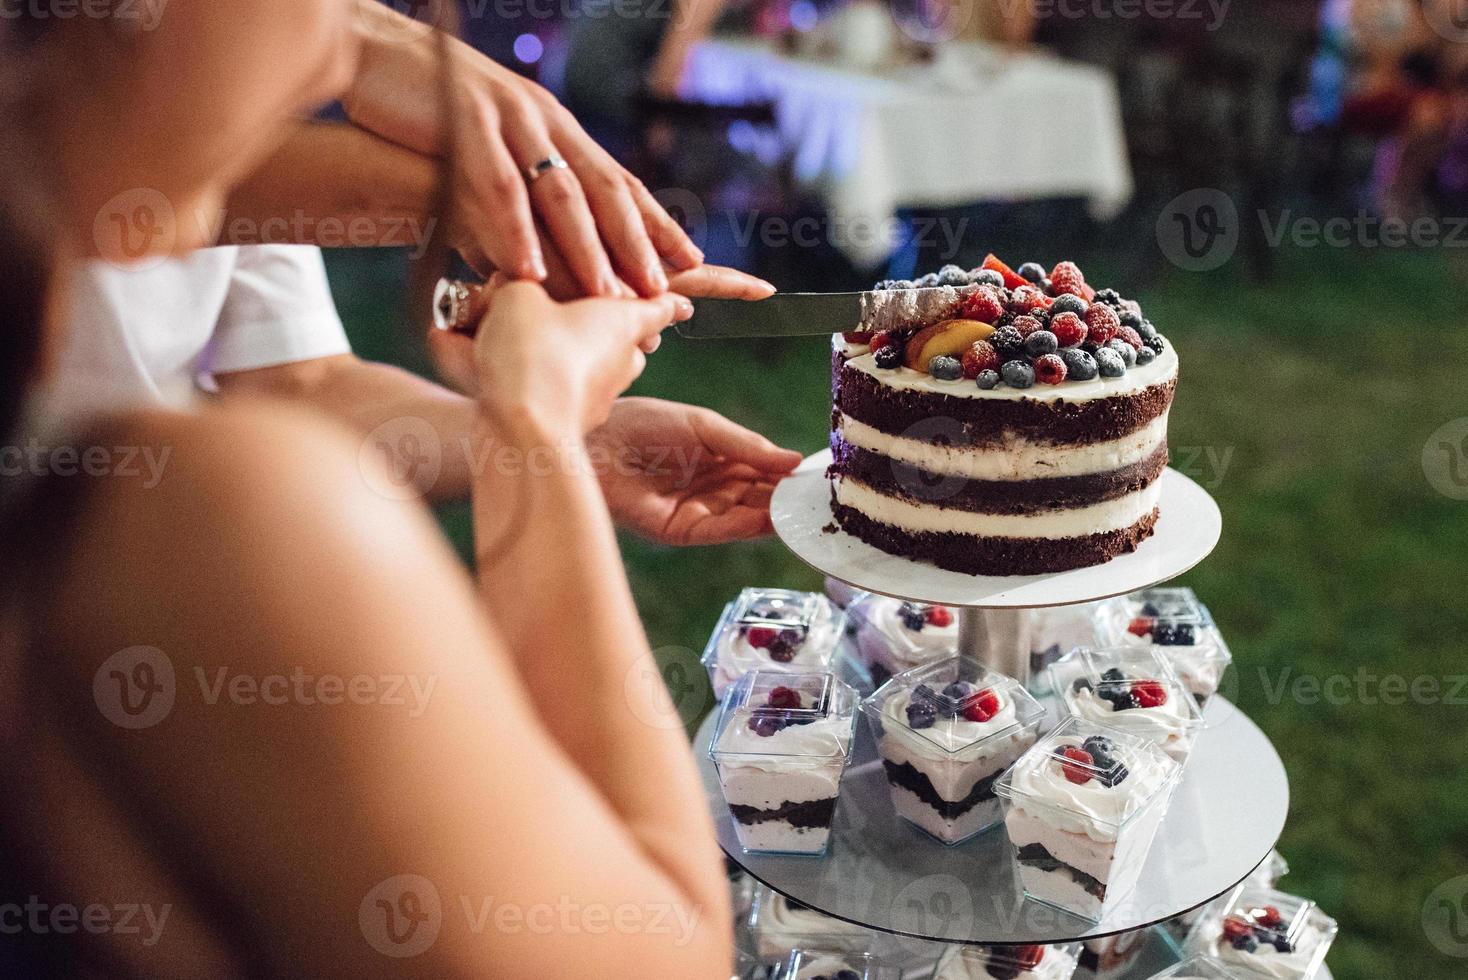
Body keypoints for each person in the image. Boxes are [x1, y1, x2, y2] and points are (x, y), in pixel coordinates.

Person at [1, 3, 738, 977]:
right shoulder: (205, 516)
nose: (329, 58)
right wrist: (533, 422)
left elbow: (292, 372)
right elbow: (662, 952)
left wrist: (558, 439)